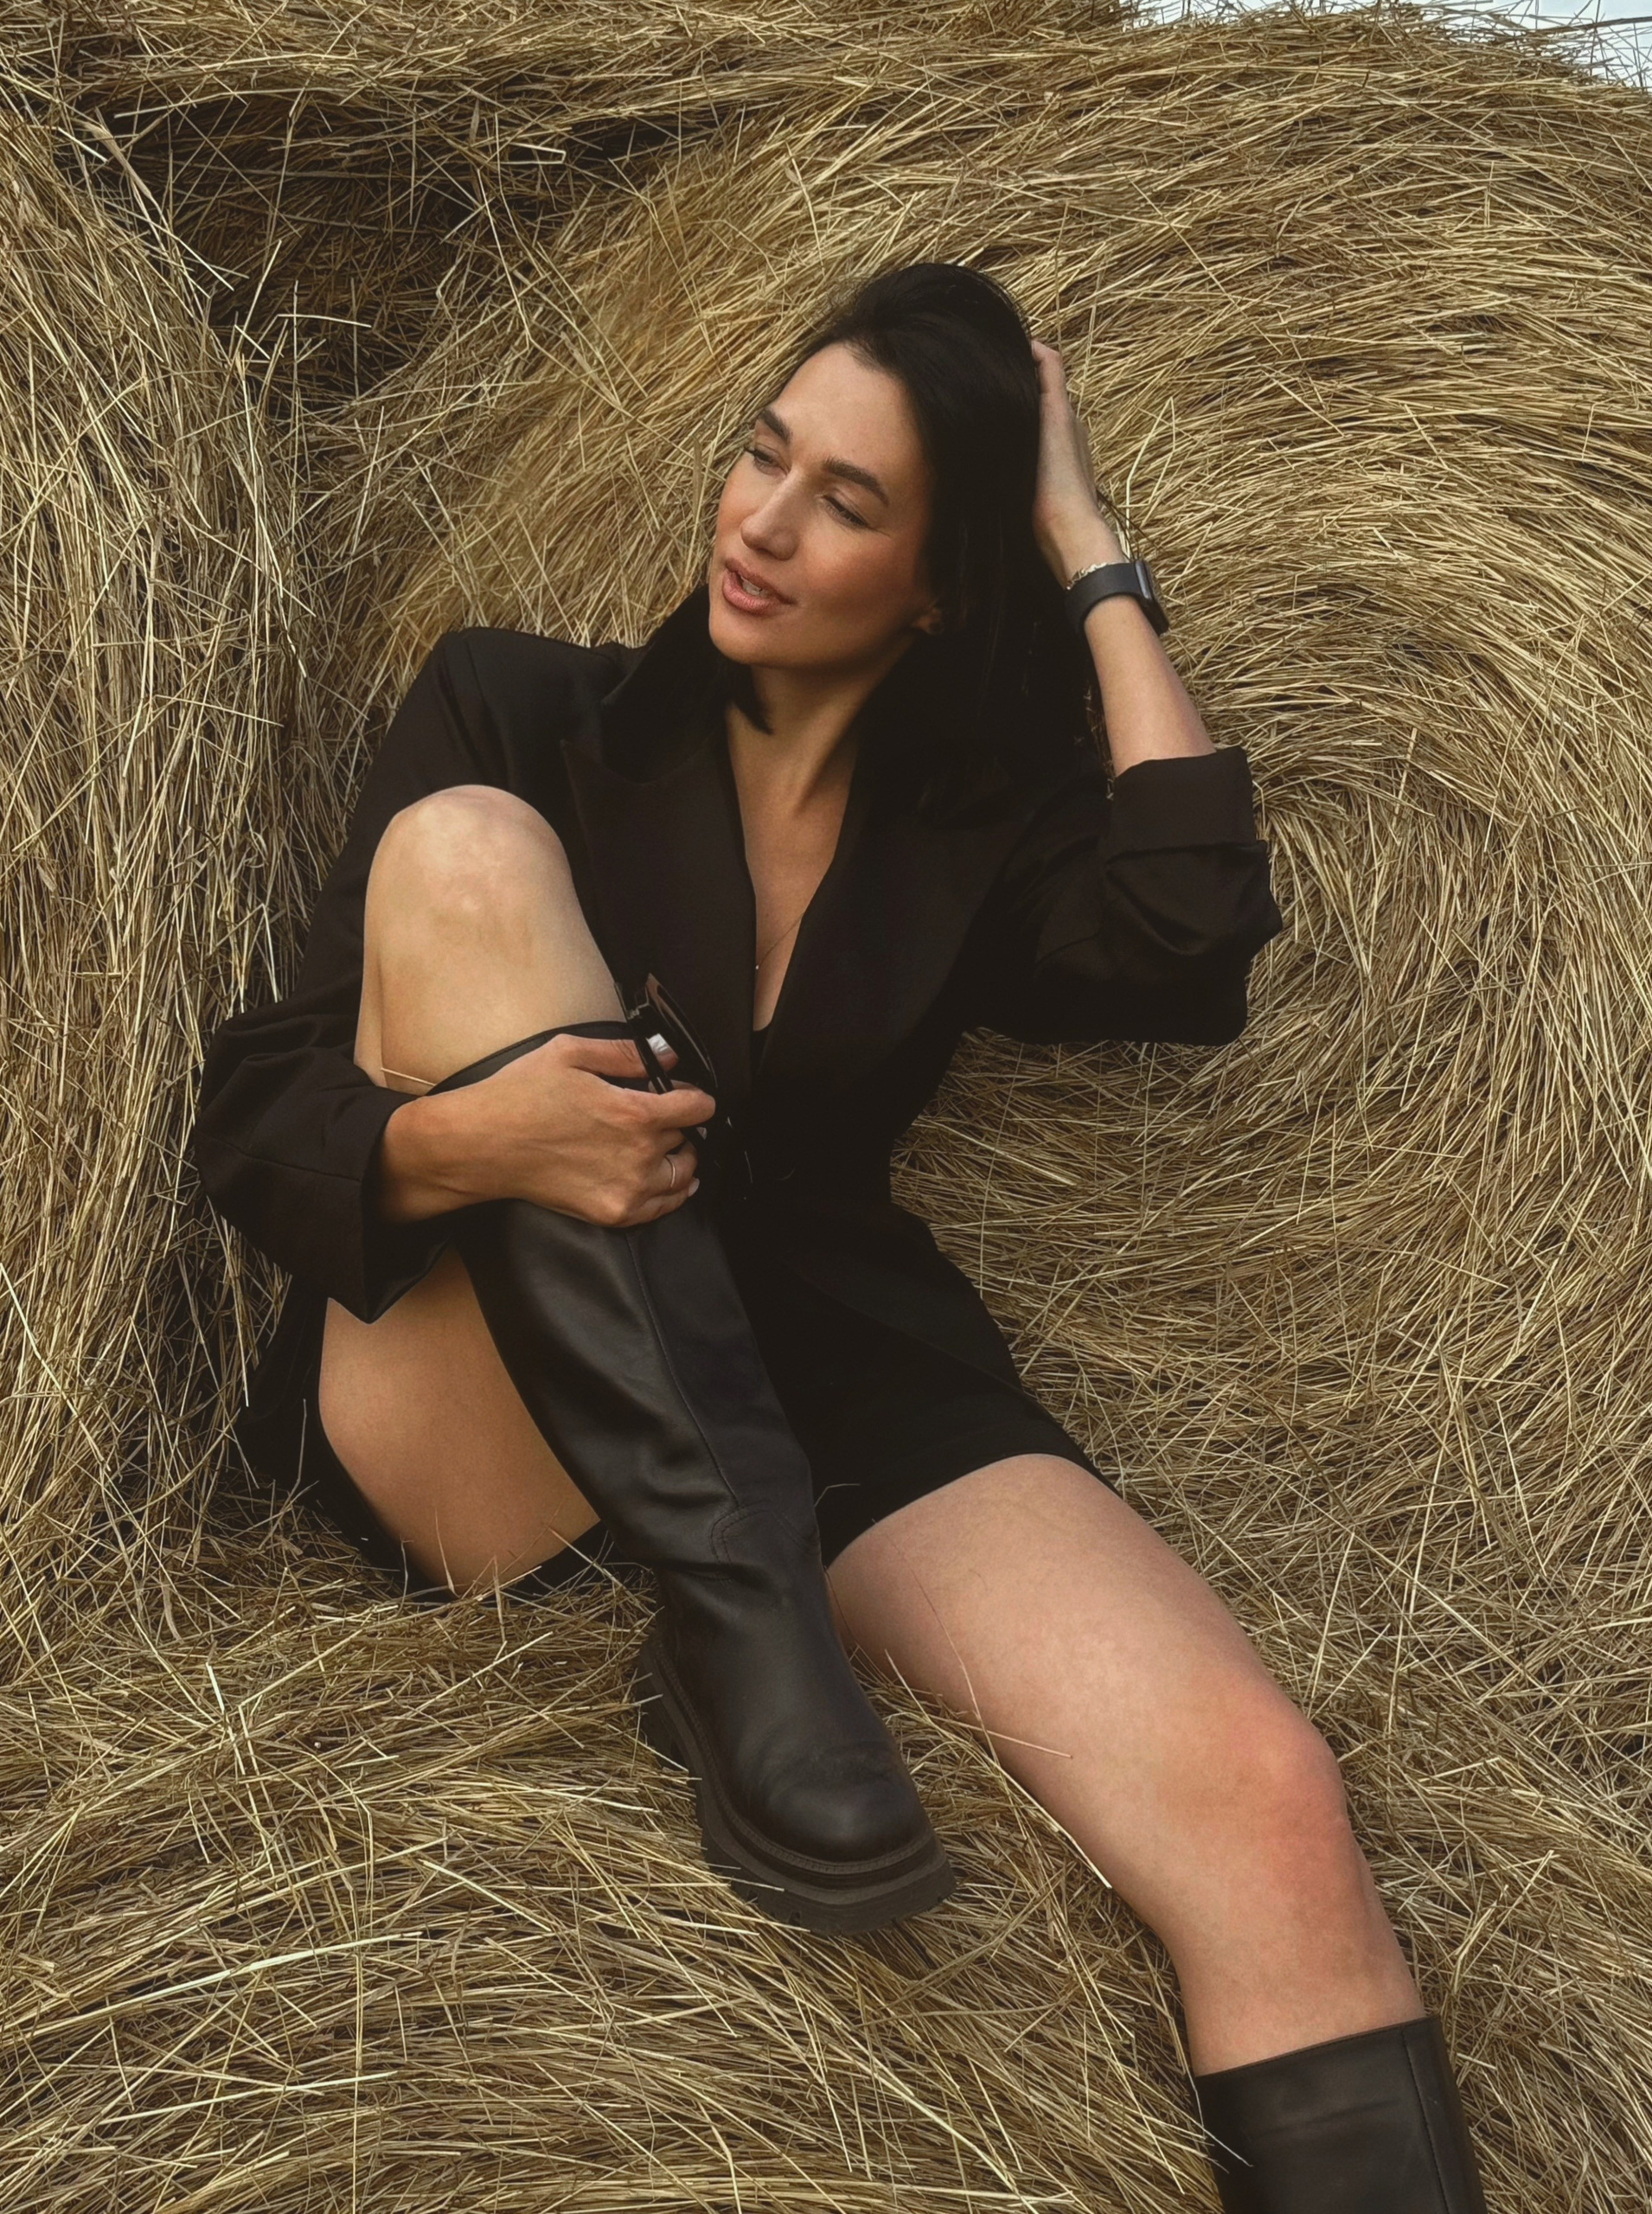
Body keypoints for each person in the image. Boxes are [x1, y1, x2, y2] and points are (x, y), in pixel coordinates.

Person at [190, 261, 1486, 2211]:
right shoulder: (523, 708)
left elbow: (1190, 923)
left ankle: (754, 1615)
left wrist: (1085, 537)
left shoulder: (964, 828)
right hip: (499, 1381)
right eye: (762, 454)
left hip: (828, 1365)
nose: (763, 522)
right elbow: (258, 1101)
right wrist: (478, 1134)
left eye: (849, 501)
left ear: (939, 583)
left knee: (1268, 1801)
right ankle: (739, 1617)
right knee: (464, 853)